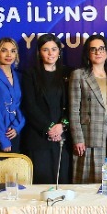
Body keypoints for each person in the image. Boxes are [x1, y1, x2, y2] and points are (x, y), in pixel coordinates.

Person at [20, 34, 71, 185]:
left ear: (59, 51)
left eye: (54, 49)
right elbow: (29, 106)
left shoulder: (68, 73)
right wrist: (49, 127)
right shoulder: (30, 74)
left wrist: (62, 126)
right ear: (39, 52)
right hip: (38, 137)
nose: (50, 53)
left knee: (61, 184)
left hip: (62, 138)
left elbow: (73, 105)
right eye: (45, 50)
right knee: (41, 185)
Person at [69, 34, 107, 183]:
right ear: (88, 54)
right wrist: (78, 139)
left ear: (106, 52)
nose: (97, 52)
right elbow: (74, 110)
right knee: (87, 182)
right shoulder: (79, 75)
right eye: (93, 49)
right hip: (88, 136)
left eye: (101, 48)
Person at [0, 37, 25, 152]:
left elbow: (22, 106)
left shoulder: (20, 77)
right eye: (4, 50)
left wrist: (18, 127)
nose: (9, 55)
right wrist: (3, 139)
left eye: (13, 51)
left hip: (14, 132)